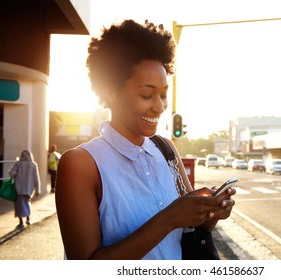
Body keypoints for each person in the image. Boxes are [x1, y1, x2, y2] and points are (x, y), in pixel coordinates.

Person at [55, 19, 236, 260]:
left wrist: (208, 215)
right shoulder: (80, 164)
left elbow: (189, 231)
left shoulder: (165, 149)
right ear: (111, 92)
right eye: (147, 94)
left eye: (163, 94)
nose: (159, 106)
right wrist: (169, 218)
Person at [9, 150, 40, 229]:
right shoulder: (33, 165)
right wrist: (37, 189)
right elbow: (36, 178)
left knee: (19, 205)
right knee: (27, 203)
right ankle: (28, 218)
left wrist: (16, 175)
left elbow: (11, 173)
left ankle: (21, 222)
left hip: (19, 187)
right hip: (29, 188)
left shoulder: (18, 164)